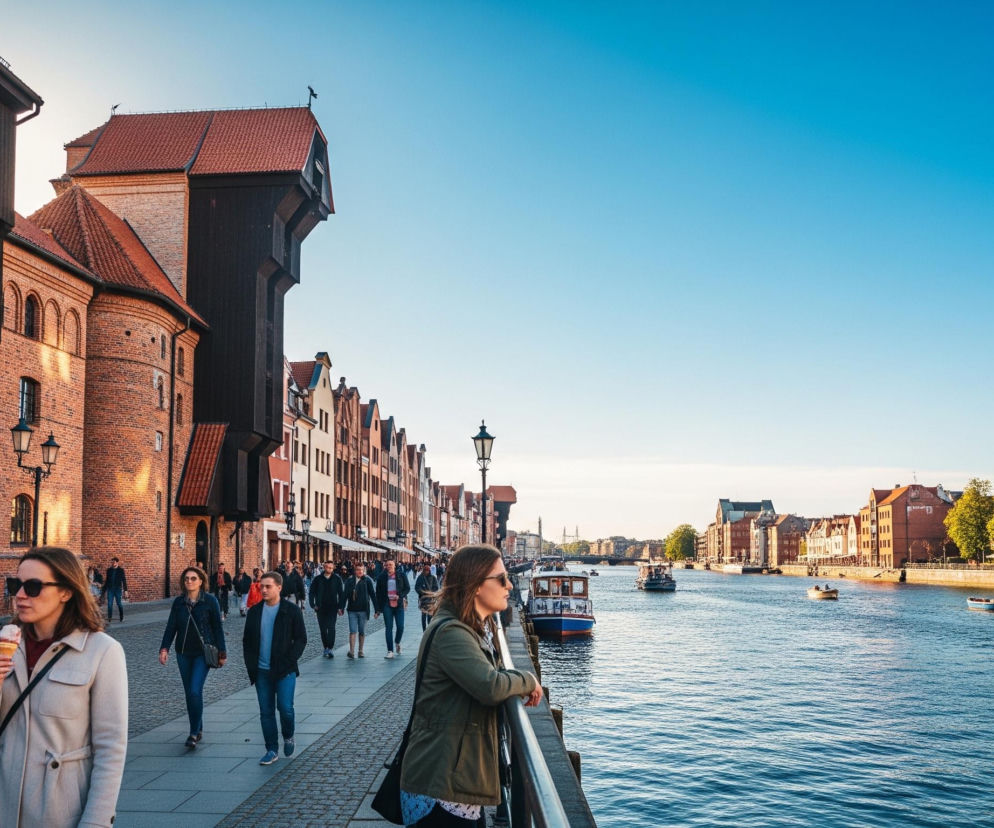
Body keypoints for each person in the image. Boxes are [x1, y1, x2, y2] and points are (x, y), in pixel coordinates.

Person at [400, 545, 542, 827]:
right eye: (501, 579)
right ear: (476, 585)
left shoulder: (472, 627)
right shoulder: (452, 633)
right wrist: (528, 679)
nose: (509, 585)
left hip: (454, 782)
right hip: (438, 786)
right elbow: (490, 685)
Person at [0, 546, 128, 827]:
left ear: (66, 592)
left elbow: (110, 748)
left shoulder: (101, 651)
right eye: (15, 585)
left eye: (33, 587)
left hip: (58, 813)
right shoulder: (6, 646)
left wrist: (96, 822)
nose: (19, 595)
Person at [158, 566, 227, 748]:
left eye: (193, 578)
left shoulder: (210, 601)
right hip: (183, 652)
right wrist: (164, 648)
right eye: (187, 578)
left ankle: (194, 733)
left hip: (202, 654)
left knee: (195, 690)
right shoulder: (179, 602)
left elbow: (218, 628)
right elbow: (171, 626)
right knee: (190, 693)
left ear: (201, 581)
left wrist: (222, 652)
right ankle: (198, 726)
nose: (189, 581)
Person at [243, 572, 307, 765]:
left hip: (284, 669)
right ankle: (271, 749)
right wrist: (251, 665)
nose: (263, 589)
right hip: (262, 671)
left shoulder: (291, 610)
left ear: (279, 587)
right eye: (262, 586)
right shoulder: (254, 612)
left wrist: (289, 660)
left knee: (285, 708)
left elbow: (301, 639)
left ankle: (288, 735)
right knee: (266, 711)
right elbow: (247, 641)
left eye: (268, 586)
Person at [375, 559, 410, 658]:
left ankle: (397, 642)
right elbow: (377, 593)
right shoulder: (381, 577)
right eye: (387, 565)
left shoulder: (401, 575)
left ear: (395, 565)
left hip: (399, 604)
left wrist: (400, 595)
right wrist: (378, 608)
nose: (389, 566)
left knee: (400, 627)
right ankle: (390, 651)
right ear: (385, 566)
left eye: (391, 564)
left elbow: (407, 588)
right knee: (388, 628)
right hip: (387, 604)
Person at [310, 560, 345, 658]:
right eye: (327, 567)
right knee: (323, 629)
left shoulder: (337, 579)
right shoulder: (318, 579)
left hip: (333, 607)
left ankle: (330, 647)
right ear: (324, 567)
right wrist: (313, 604)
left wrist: (340, 607)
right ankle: (325, 647)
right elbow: (311, 592)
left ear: (333, 568)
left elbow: (341, 594)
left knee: (331, 627)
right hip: (320, 607)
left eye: (331, 568)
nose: (329, 569)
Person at [343, 563, 377, 658]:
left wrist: (377, 610)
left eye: (362, 570)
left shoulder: (367, 581)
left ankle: (360, 650)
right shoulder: (350, 581)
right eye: (358, 569)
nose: (360, 572)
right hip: (352, 610)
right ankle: (352, 651)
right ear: (355, 570)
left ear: (364, 571)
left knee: (362, 631)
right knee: (352, 630)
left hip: (363, 610)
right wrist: (341, 607)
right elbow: (344, 595)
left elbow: (373, 595)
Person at [414, 562, 440, 632]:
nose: (426, 572)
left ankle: (429, 629)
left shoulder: (433, 577)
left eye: (427, 570)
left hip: (431, 599)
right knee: (423, 615)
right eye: (425, 570)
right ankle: (424, 630)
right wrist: (422, 592)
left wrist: (431, 592)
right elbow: (417, 587)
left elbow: (436, 587)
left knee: (430, 615)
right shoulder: (420, 577)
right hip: (423, 599)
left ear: (429, 571)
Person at [102, 556, 128, 622]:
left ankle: (121, 616)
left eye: (114, 562)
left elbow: (124, 580)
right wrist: (103, 591)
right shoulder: (109, 570)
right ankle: (109, 618)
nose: (113, 563)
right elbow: (107, 581)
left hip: (117, 589)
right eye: (112, 562)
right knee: (109, 604)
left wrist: (125, 590)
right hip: (110, 589)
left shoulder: (121, 570)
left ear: (117, 563)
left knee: (119, 603)